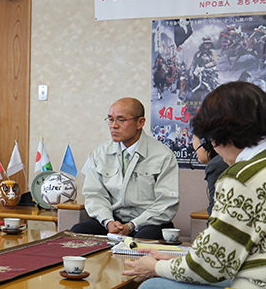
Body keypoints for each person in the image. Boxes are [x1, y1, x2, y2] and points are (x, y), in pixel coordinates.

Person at [123, 81, 266, 288]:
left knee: (152, 285)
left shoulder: (240, 178)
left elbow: (212, 265)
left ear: (216, 137)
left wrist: (155, 268)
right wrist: (176, 260)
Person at [71, 97, 179, 240]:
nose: (113, 126)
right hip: (113, 221)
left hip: (149, 223)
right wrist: (108, 222)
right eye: (110, 119)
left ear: (140, 122)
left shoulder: (163, 155)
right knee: (78, 232)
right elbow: (95, 195)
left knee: (142, 239)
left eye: (121, 120)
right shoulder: (100, 153)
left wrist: (132, 225)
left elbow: (167, 202)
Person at [191, 134, 229, 217]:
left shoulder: (217, 166)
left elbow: (215, 214)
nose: (193, 145)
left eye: (194, 139)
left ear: (205, 144)